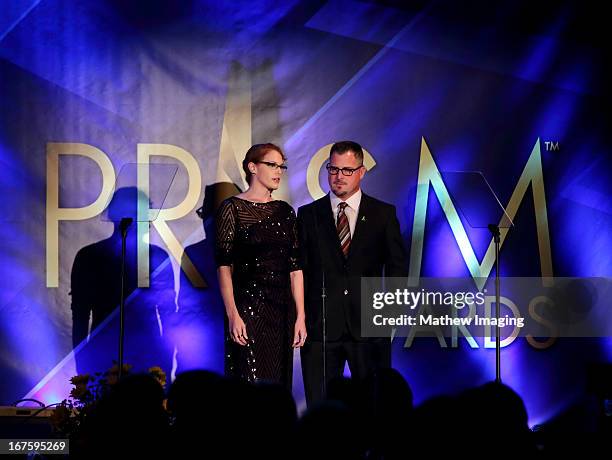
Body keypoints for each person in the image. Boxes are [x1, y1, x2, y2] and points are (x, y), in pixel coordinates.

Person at [297, 141, 408, 405]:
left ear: (361, 171)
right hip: (320, 327)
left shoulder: (383, 214)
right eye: (333, 169)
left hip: (369, 327)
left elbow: (397, 267)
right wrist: (301, 318)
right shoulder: (308, 215)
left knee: (375, 407)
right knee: (321, 410)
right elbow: (299, 268)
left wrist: (389, 314)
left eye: (347, 170)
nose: (338, 177)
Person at [215, 143, 306, 390]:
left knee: (278, 386)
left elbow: (295, 268)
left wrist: (301, 316)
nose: (278, 171)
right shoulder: (232, 208)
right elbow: (224, 267)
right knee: (250, 386)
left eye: (281, 166)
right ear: (252, 167)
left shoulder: (285, 211)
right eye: (272, 165)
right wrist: (233, 314)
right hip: (249, 308)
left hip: (282, 311)